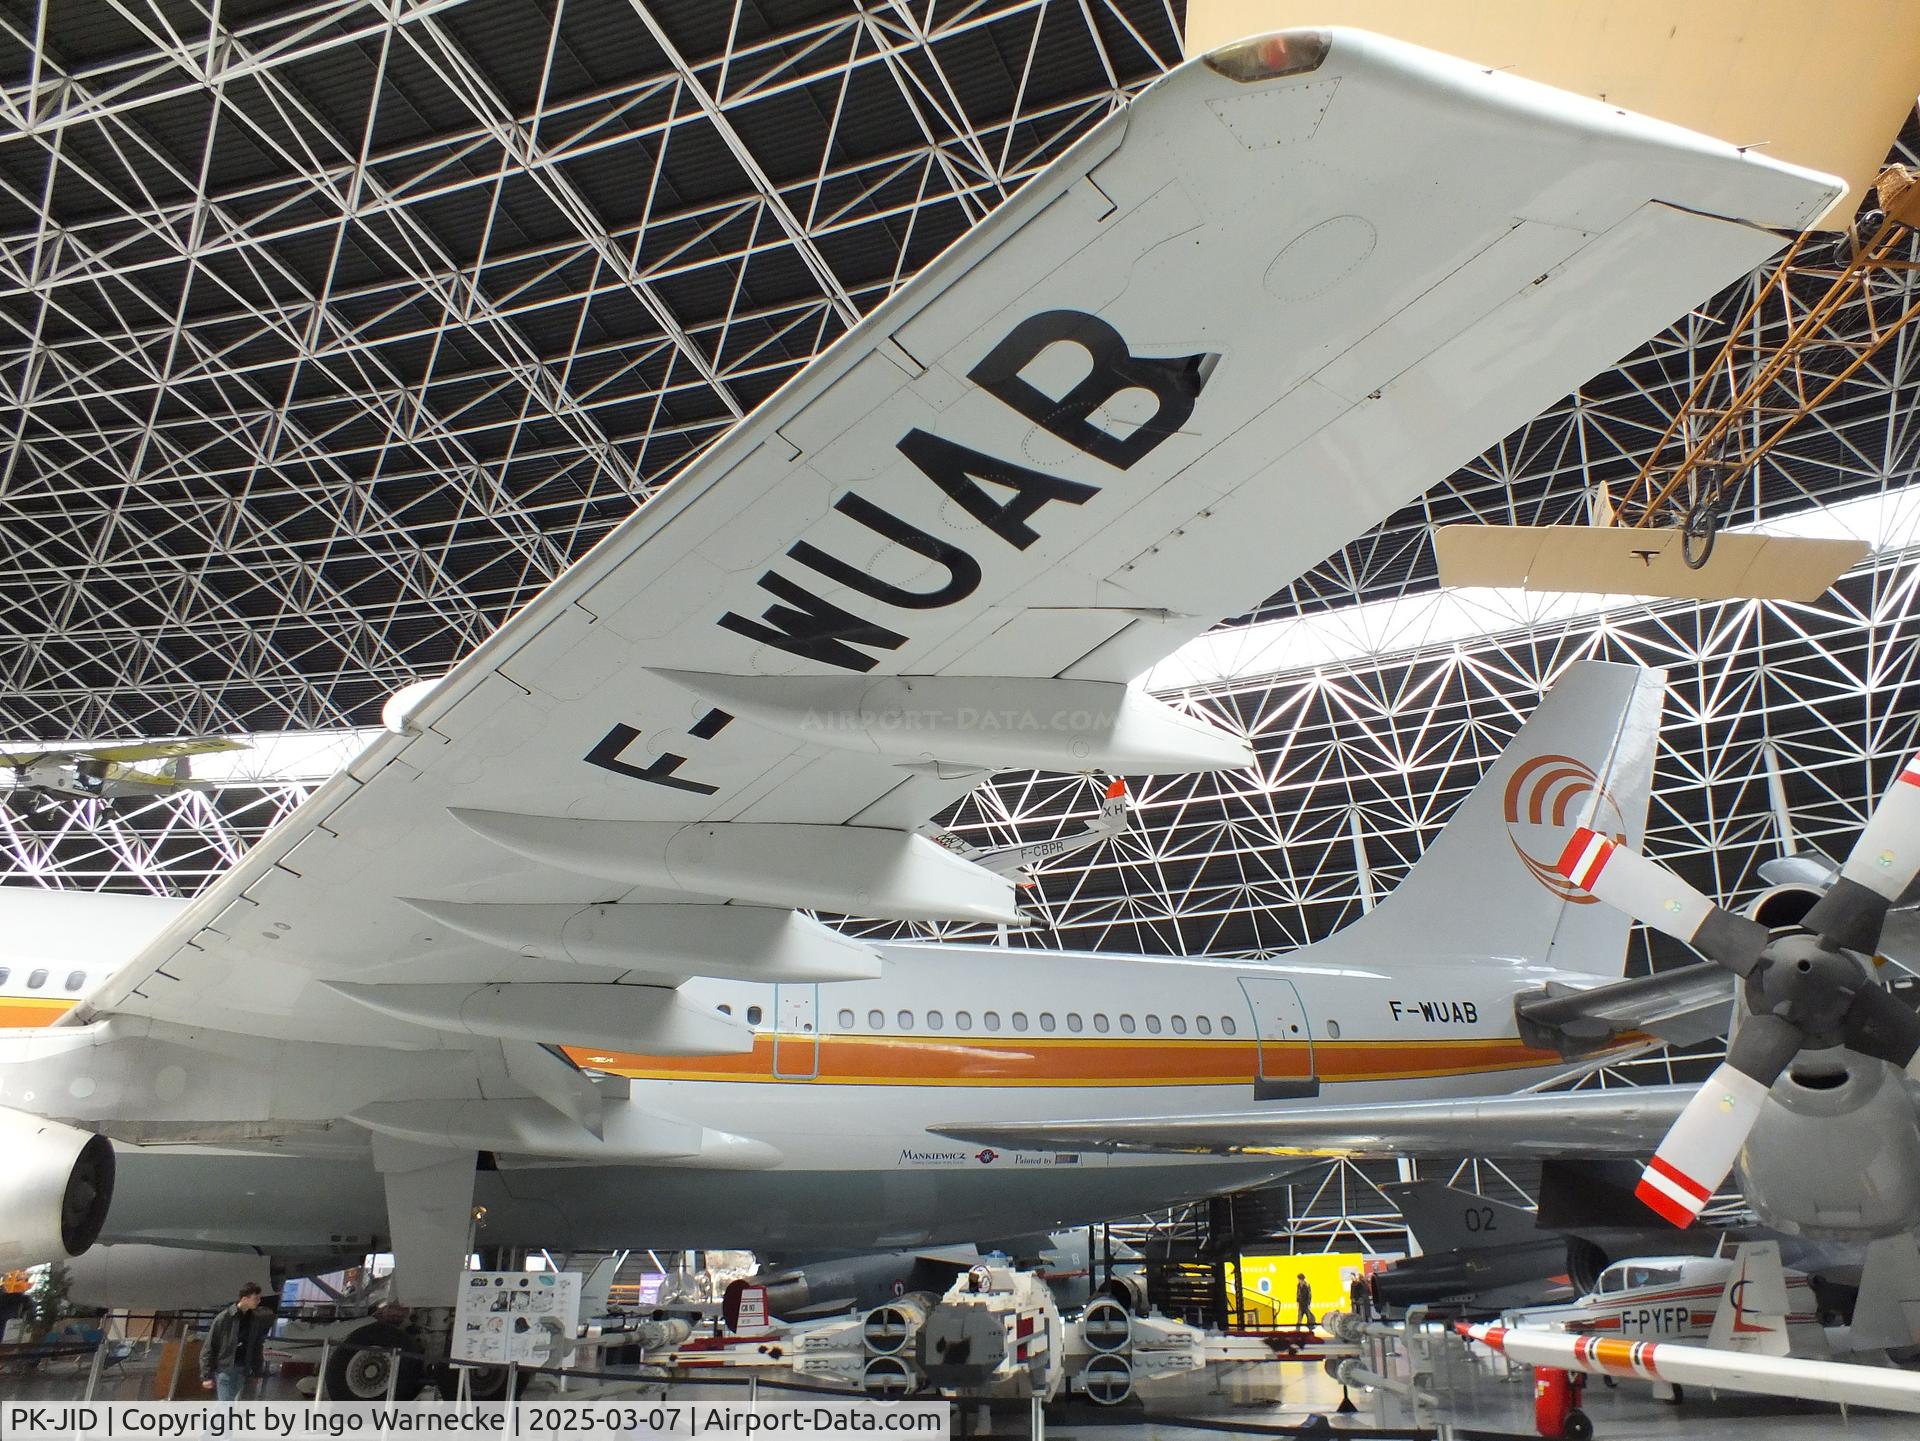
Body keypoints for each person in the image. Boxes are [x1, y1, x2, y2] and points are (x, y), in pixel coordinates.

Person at [200, 1282, 268, 1400]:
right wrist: (206, 1375)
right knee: (226, 1406)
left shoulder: (255, 1320)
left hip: (242, 1369)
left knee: (226, 1403)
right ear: (245, 1298)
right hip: (225, 1369)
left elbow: (257, 1346)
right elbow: (210, 1345)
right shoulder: (224, 1318)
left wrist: (257, 1371)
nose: (258, 1301)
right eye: (255, 1298)